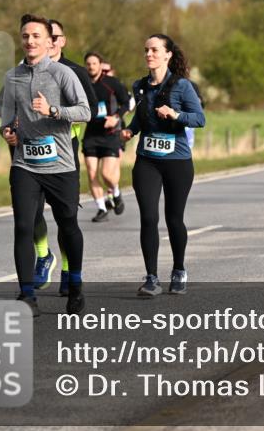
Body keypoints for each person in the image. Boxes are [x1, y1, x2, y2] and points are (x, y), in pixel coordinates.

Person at [0, 14, 91, 316]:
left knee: (68, 225)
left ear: (50, 42)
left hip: (61, 164)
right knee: (24, 226)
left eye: (36, 36)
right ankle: (27, 295)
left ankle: (75, 287)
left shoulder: (62, 74)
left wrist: (52, 110)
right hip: (25, 163)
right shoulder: (13, 76)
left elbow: (85, 112)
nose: (30, 41)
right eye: (25, 36)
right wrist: (8, 133)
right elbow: (6, 120)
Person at [122, 34, 206, 297]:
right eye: (146, 50)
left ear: (168, 54)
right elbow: (141, 115)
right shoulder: (140, 85)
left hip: (177, 162)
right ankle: (151, 277)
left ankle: (179, 270)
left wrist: (175, 114)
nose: (149, 54)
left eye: (155, 50)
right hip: (147, 160)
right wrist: (129, 131)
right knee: (148, 217)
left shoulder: (182, 86)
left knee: (173, 219)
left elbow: (200, 119)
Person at [82, 52, 130, 221]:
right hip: (91, 134)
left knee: (107, 174)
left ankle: (115, 192)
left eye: (94, 63)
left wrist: (116, 117)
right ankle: (101, 208)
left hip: (110, 134)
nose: (91, 66)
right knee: (91, 172)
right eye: (88, 64)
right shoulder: (83, 84)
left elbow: (127, 102)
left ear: (100, 65)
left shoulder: (111, 83)